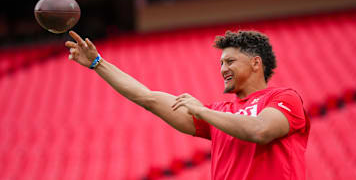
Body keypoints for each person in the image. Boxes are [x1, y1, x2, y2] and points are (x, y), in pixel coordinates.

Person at [65, 30, 310, 180]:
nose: (223, 69)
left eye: (230, 61)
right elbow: (147, 97)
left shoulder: (284, 97)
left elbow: (260, 130)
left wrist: (203, 111)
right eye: (221, 63)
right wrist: (97, 63)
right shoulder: (220, 114)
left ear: (256, 63)